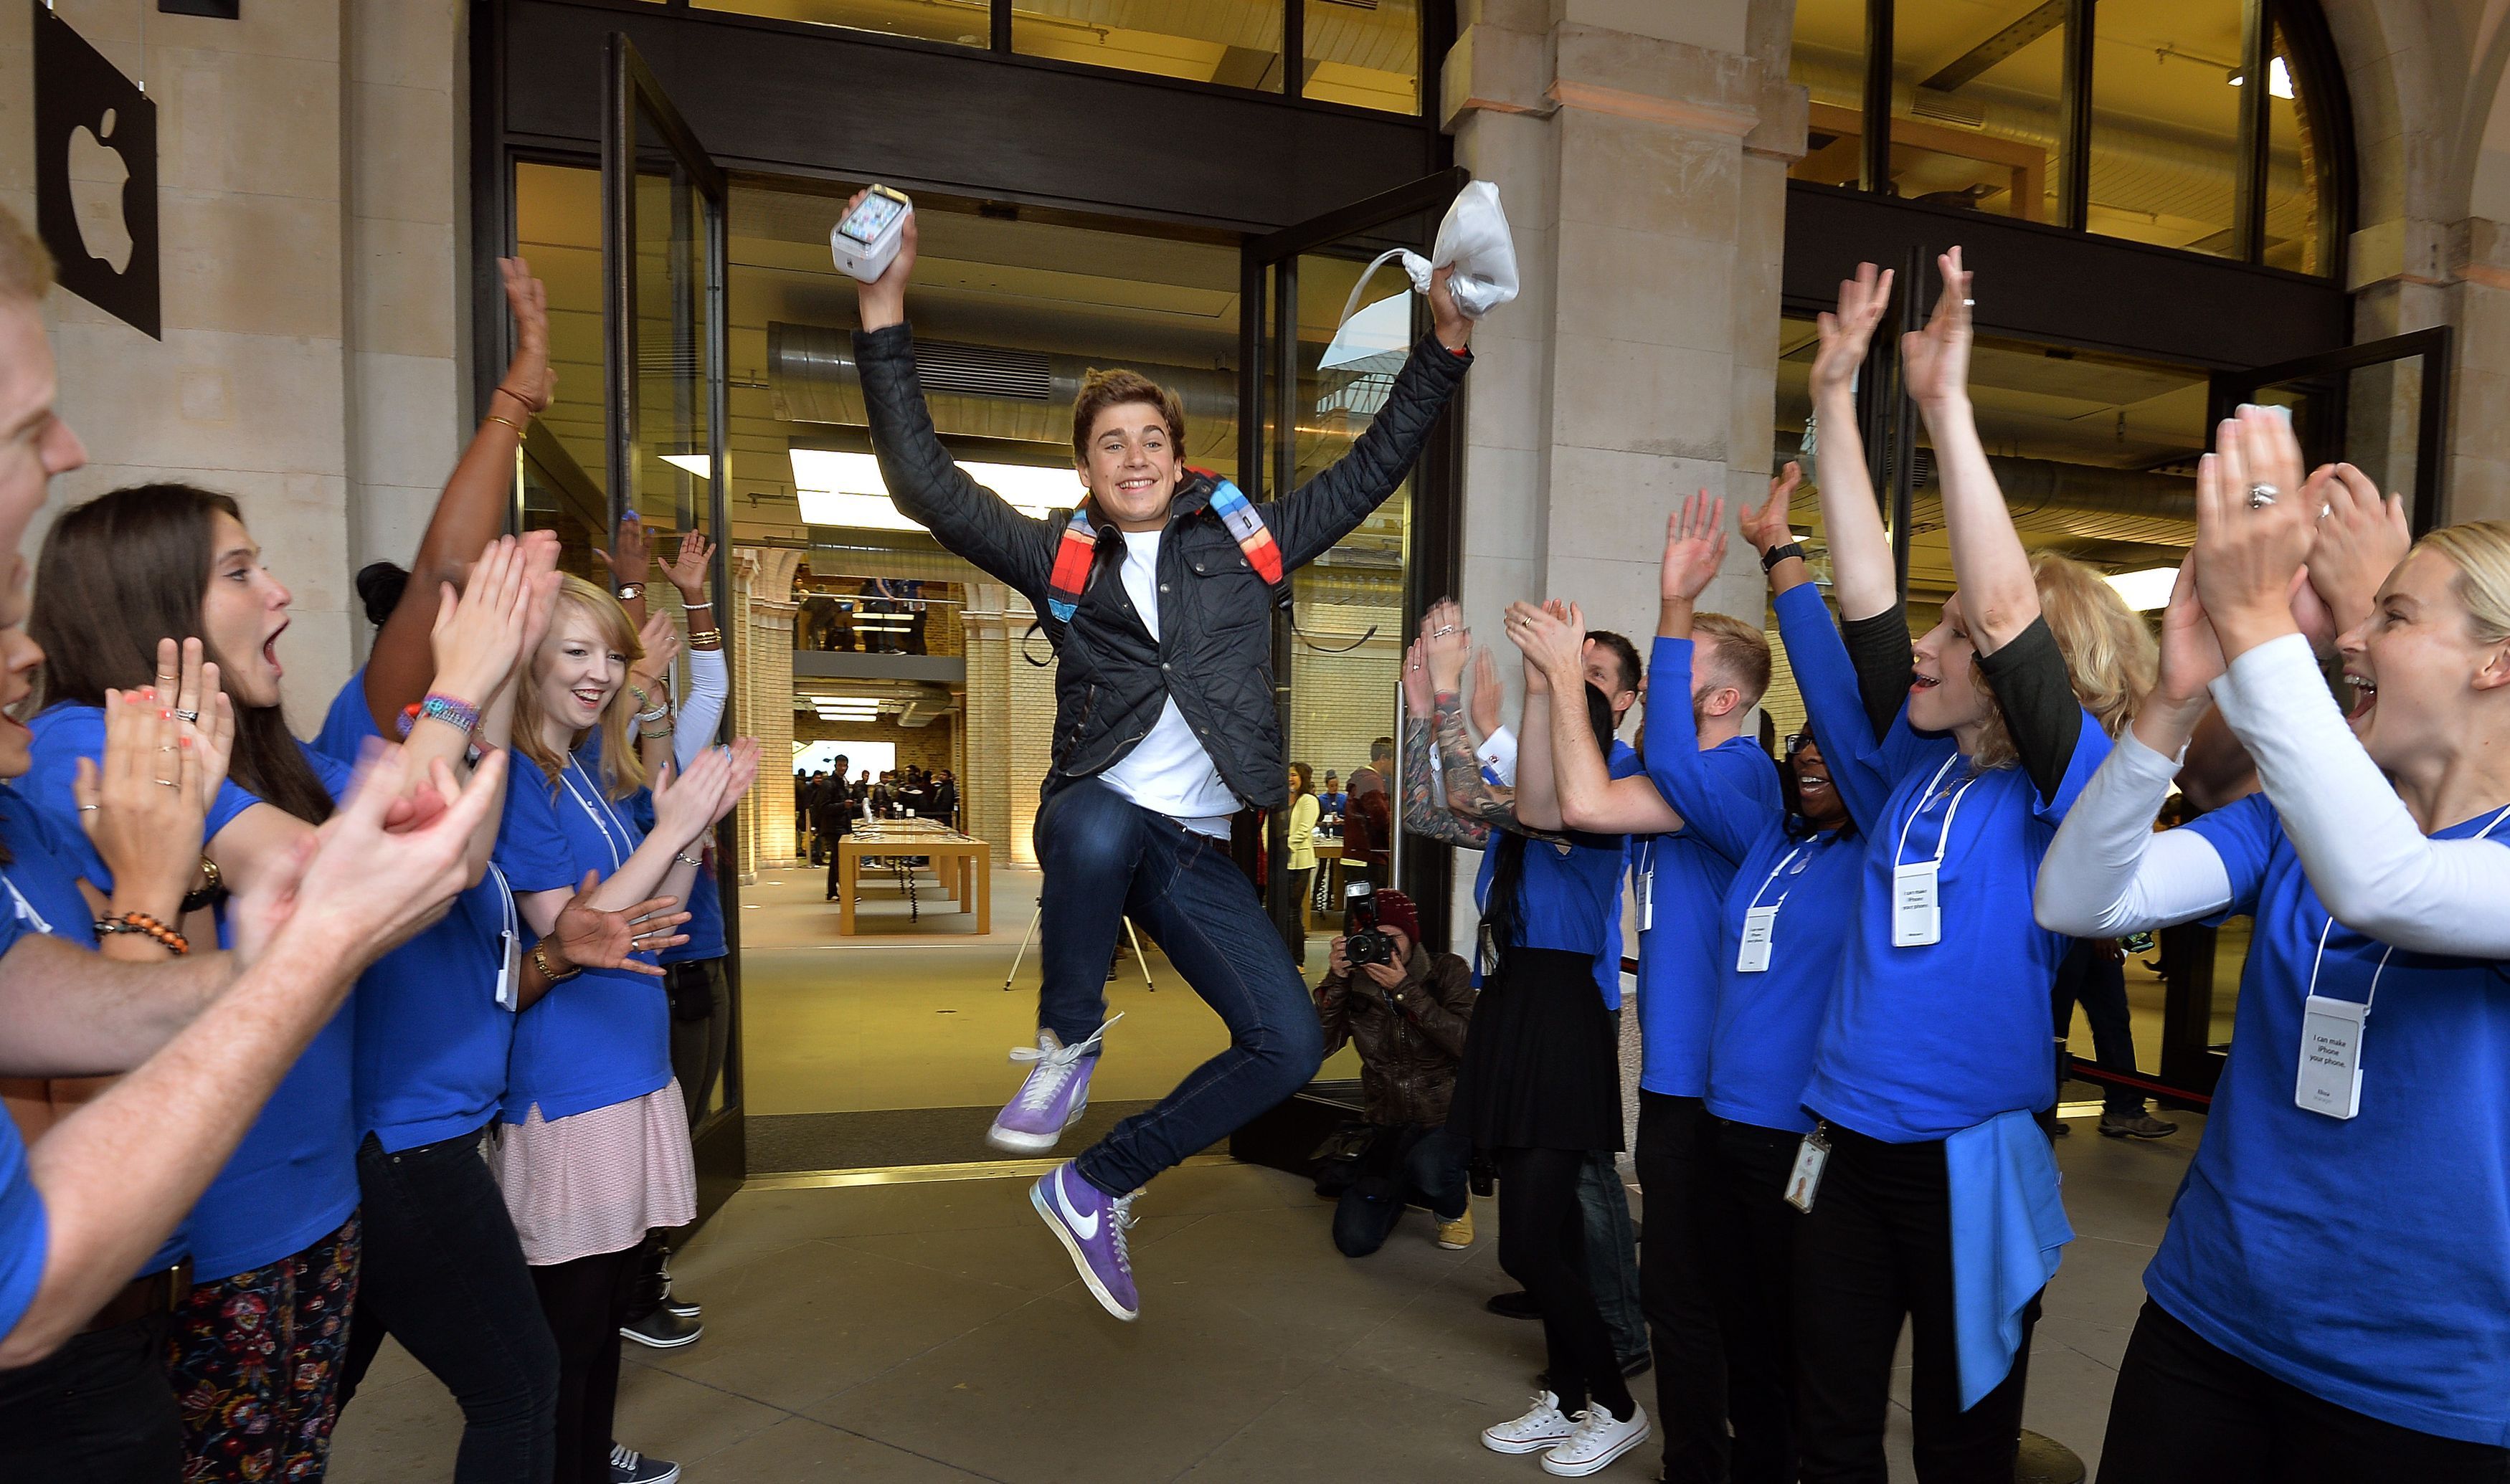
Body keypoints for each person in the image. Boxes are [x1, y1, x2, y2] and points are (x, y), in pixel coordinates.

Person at [846, 189, 1472, 1320]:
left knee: (1287, 1043)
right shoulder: (1057, 558)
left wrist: (1445, 345)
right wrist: (882, 308)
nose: (1133, 456)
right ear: (1086, 468)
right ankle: (1069, 1038)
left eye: (1150, 438)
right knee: (1095, 815)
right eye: (1110, 443)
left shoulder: (1248, 544)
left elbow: (1376, 464)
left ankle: (1095, 1184)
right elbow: (926, 482)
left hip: (1192, 852)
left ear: (1179, 457)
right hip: (1093, 821)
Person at [2035, 410, 2510, 1482]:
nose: (2350, 639)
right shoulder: (2295, 822)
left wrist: (2255, 618)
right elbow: (2077, 900)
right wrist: (2174, 699)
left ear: (2496, 662)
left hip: (2418, 1388)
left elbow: (2388, 884)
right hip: (2209, 1322)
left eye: (2392, 614)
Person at [27, 483, 534, 1482]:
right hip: (210, 1236)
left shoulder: (276, 756)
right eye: (239, 571)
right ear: (152, 601)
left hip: (317, 1208)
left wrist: (496, 669)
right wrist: (457, 687)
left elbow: (454, 859)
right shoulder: (91, 738)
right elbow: (346, 889)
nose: (280, 591)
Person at [1786, 255, 2155, 1484]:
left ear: (2013, 672)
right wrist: (1835, 395)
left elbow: (2004, 616)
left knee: (1962, 1443)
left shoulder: (2073, 785)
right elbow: (1867, 596)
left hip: (1966, 1166)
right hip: (1844, 1143)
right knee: (1830, 1424)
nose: (1929, 644)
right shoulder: (1915, 761)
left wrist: (1946, 405)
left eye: (1955, 635)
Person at [1504, 517, 1781, 1484]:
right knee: (1676, 1299)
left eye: (1676, 667)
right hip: (1673, 1084)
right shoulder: (1670, 784)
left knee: (1734, 1300)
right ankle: (1692, 1462)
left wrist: (1576, 674)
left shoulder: (1740, 776)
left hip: (1731, 1093)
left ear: (1719, 697)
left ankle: (1751, 1461)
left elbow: (1585, 803)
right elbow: (1549, 807)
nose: (1660, 679)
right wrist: (1545, 689)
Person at [1403, 617, 1652, 1477]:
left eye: (1581, 680)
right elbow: (1429, 810)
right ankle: (1570, 1393)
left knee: (1528, 1246)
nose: (1555, 689)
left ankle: (1617, 1408)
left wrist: (1447, 702)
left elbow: (1478, 797)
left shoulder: (1607, 786)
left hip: (1557, 1014)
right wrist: (1426, 714)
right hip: (1513, 1004)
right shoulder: (1539, 790)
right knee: (1547, 1233)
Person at [1312, 888, 1475, 1257]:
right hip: (1385, 1121)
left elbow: (1469, 1045)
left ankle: (1451, 1204)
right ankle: (1403, 1185)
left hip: (1445, 1117)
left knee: (1430, 1168)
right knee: (1355, 1241)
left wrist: (1404, 990)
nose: (1382, 947)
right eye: (1372, 937)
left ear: (1412, 938)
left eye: (1393, 938)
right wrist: (1336, 981)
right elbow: (1316, 1048)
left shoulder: (1446, 971)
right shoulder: (1354, 980)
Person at [1284, 762, 1320, 946]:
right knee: (1282, 910)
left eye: (1294, 775)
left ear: (1303, 779)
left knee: (1292, 910)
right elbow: (1268, 826)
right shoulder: (1282, 800)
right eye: (1288, 774)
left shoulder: (1309, 800)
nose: (1290, 779)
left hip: (1299, 862)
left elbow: (1304, 830)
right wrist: (1270, 846)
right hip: (1281, 862)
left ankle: (1297, 957)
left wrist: (1284, 845)